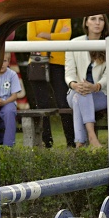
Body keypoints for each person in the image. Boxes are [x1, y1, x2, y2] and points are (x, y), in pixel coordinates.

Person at [27, 18, 75, 148]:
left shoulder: (64, 15)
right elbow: (31, 38)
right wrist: (55, 38)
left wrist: (45, 36)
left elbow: (66, 37)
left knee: (63, 102)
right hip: (38, 62)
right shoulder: (33, 15)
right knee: (42, 104)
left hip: (59, 64)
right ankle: (46, 142)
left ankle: (71, 142)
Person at [65, 14, 109, 148]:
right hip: (76, 90)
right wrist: (74, 85)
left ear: (105, 23)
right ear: (86, 23)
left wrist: (96, 86)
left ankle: (80, 142)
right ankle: (92, 137)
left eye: (101, 19)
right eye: (93, 19)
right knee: (81, 93)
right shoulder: (74, 43)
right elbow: (69, 73)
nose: (97, 22)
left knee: (79, 97)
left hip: (101, 93)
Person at [0, 54, 25, 147]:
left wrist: (4, 102)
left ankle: (8, 145)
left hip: (8, 101)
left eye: (4, 61)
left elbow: (14, 96)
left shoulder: (12, 74)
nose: (2, 64)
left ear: (8, 62)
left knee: (9, 112)